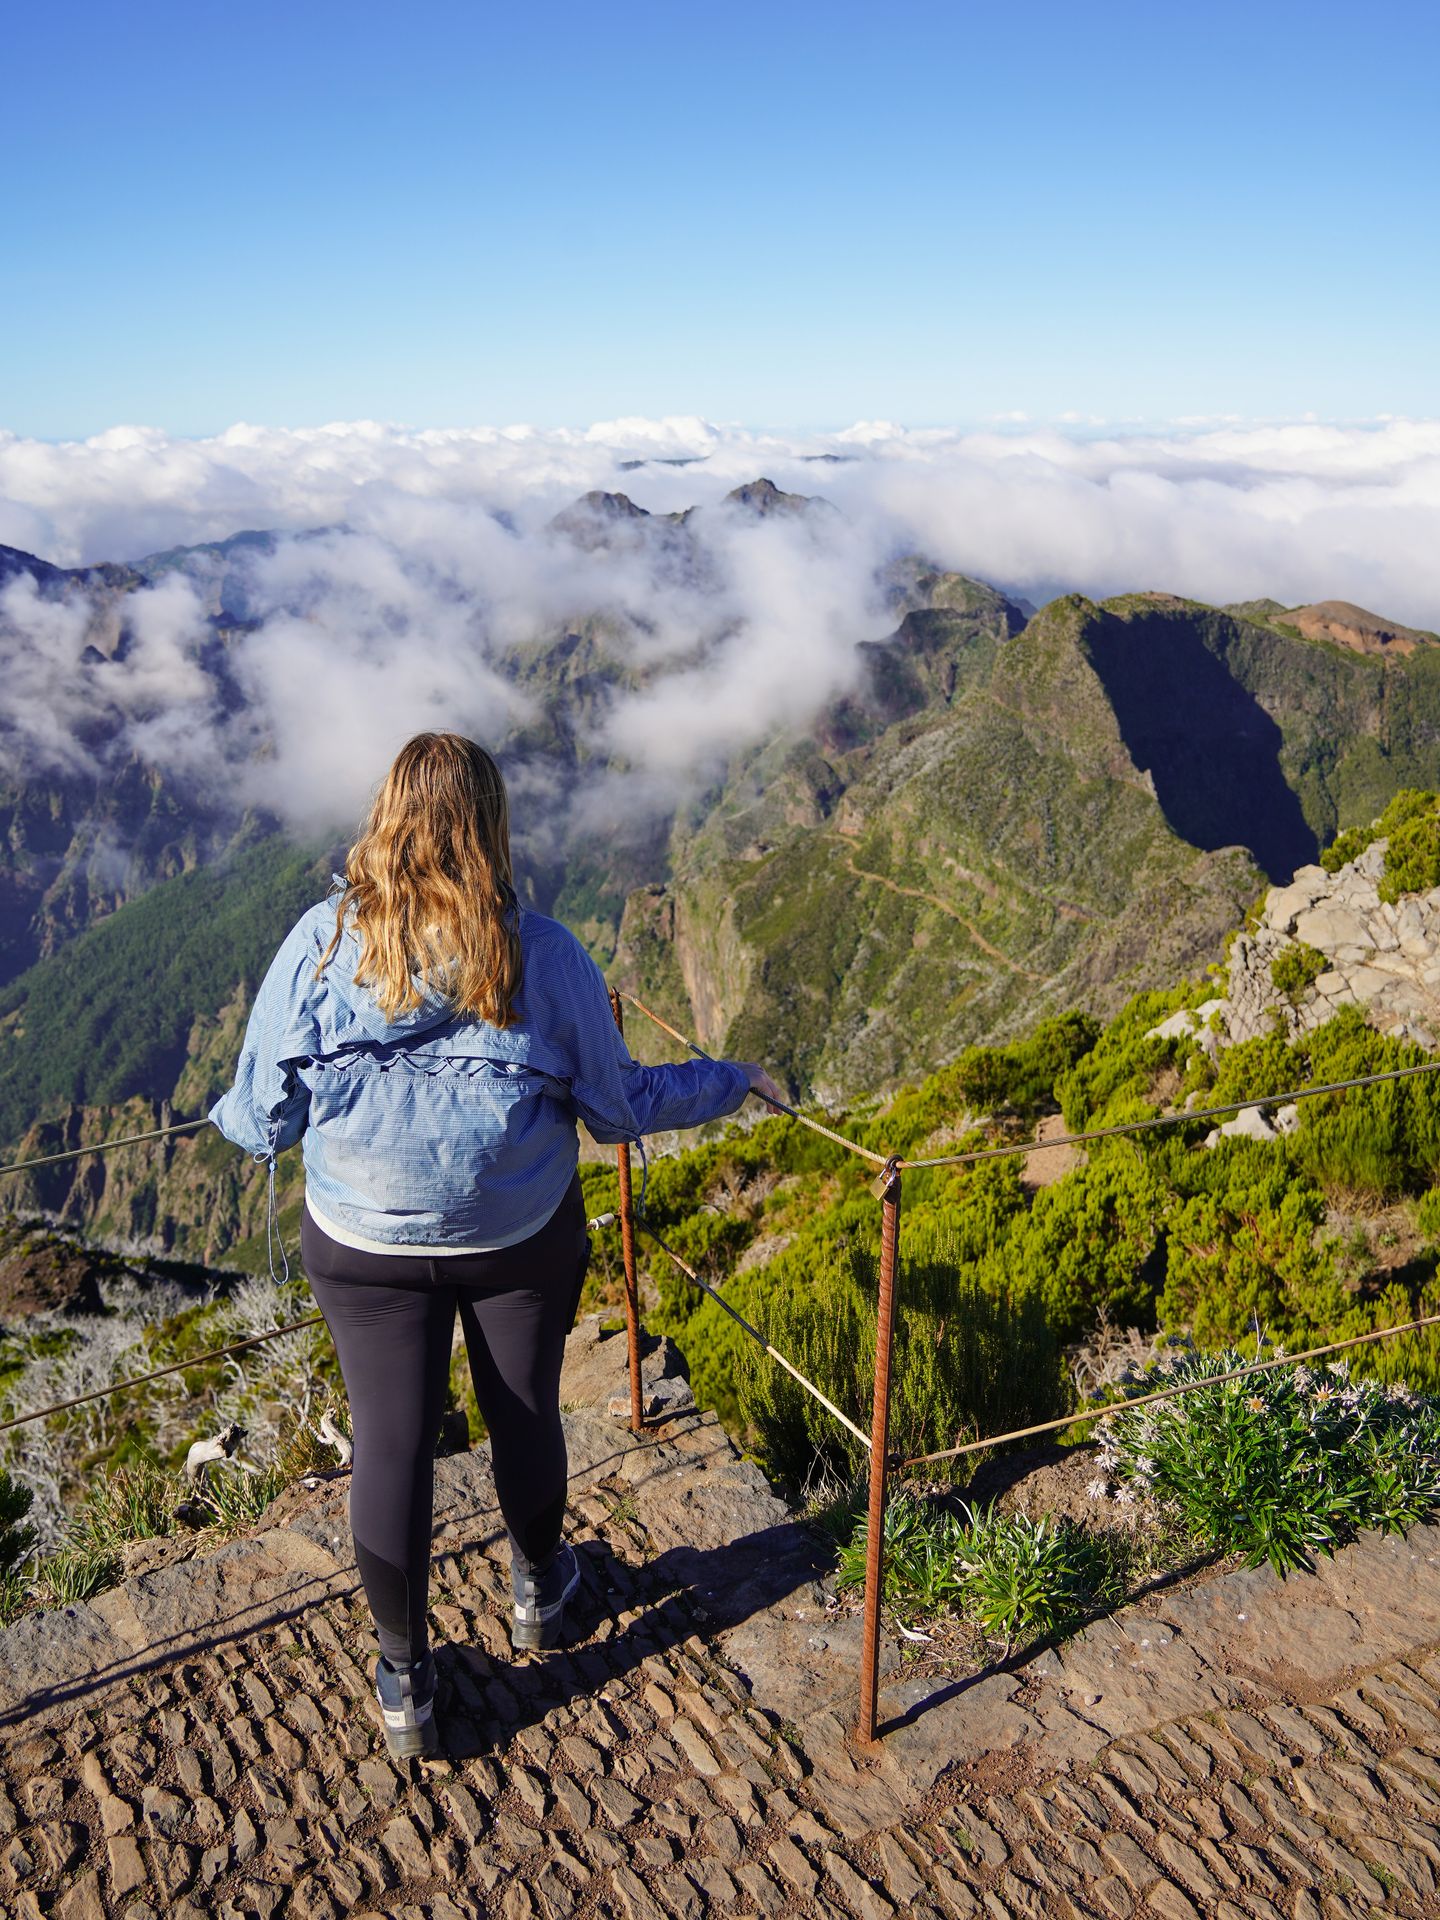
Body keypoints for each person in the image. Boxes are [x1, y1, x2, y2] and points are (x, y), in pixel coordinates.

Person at [209, 731, 784, 1760]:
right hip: (516, 1232)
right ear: (490, 830)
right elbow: (616, 1111)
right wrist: (732, 1079)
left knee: (391, 1441)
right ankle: (540, 1595)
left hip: (363, 1241)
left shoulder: (320, 946)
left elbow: (263, 1121)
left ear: (386, 821)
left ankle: (404, 1680)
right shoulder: (545, 954)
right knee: (522, 1414)